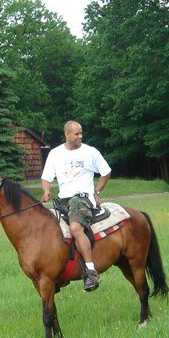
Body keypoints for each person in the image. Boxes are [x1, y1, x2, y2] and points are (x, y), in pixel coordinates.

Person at [41, 120, 111, 291]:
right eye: (77, 134)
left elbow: (106, 172)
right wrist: (46, 190)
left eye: (81, 133)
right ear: (67, 134)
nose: (80, 136)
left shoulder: (90, 152)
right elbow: (46, 178)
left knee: (75, 228)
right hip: (62, 200)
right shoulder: (55, 154)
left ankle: (91, 271)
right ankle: (59, 272)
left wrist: (97, 192)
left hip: (82, 199)